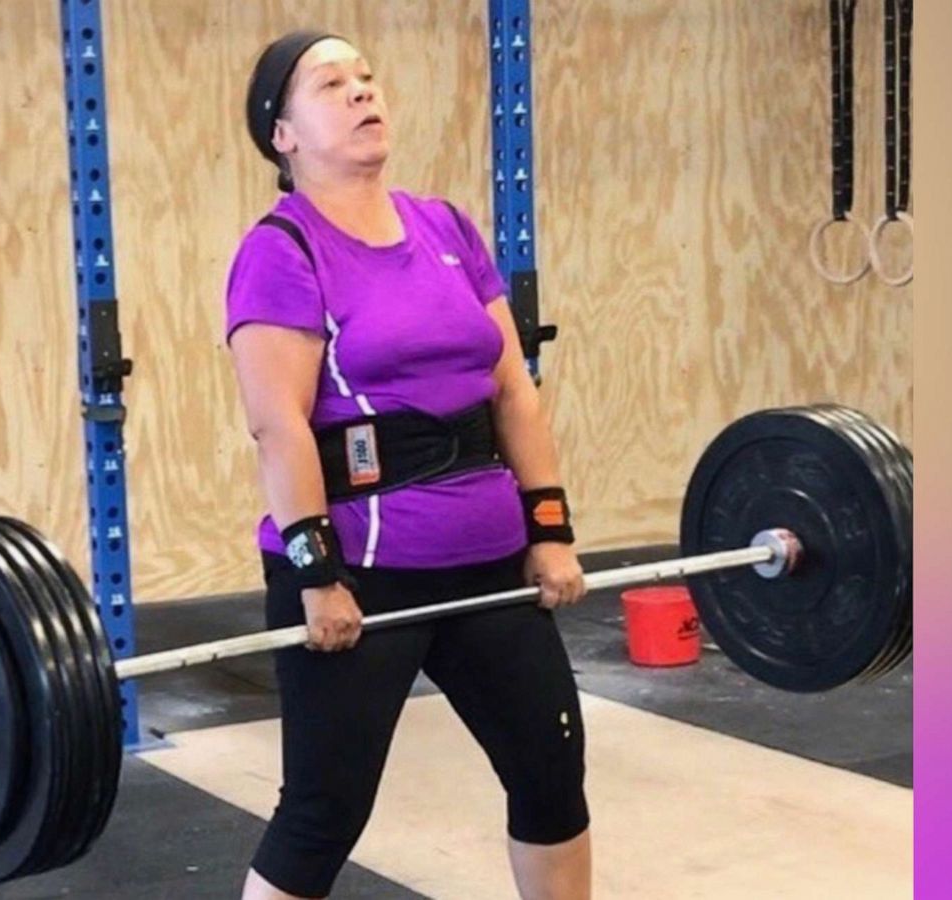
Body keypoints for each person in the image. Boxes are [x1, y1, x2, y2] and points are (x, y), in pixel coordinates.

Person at [225, 30, 592, 900]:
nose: (360, 93)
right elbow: (278, 426)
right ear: (282, 135)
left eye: (365, 77)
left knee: (551, 775)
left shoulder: (446, 228)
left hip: (489, 563)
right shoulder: (283, 249)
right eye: (329, 84)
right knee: (325, 811)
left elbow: (513, 394)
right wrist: (317, 578)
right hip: (364, 575)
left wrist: (551, 530)